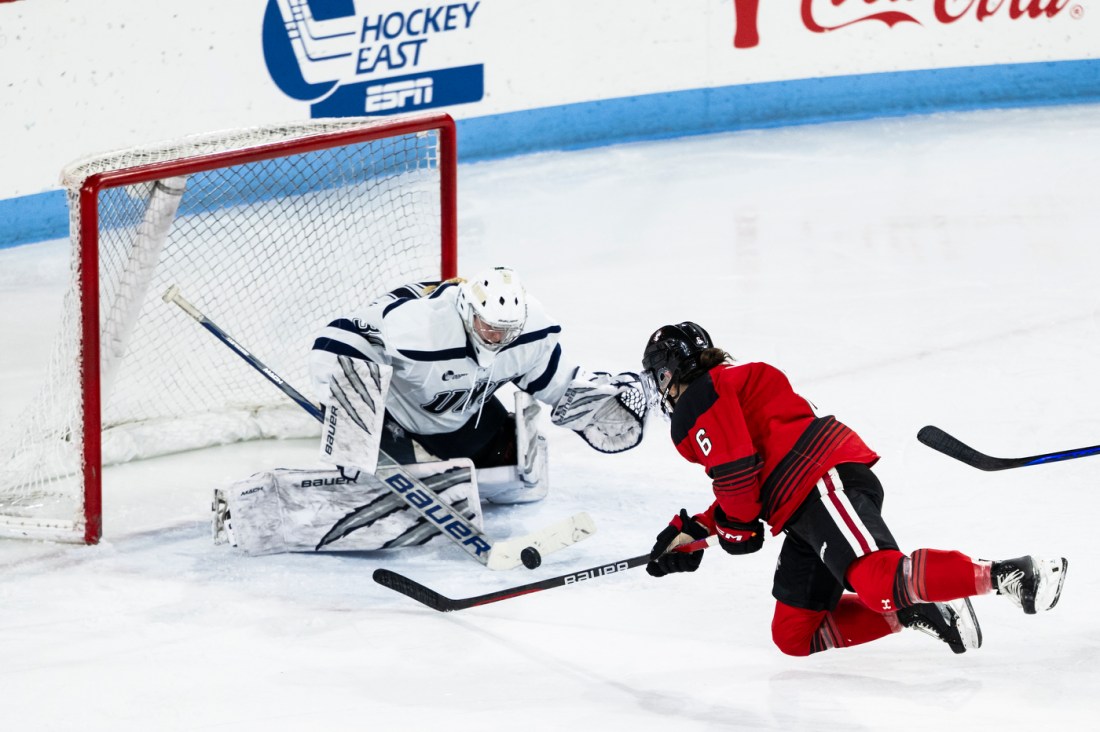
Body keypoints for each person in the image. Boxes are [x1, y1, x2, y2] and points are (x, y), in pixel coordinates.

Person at [640, 321, 1068, 655]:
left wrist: (736, 527)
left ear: (668, 373)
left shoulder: (702, 396)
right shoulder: (732, 386)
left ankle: (1011, 574)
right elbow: (748, 476)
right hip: (801, 503)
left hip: (820, 484)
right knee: (794, 634)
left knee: (878, 580)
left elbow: (736, 475)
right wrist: (696, 530)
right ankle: (919, 609)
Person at [213, 266, 647, 555]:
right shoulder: (417, 327)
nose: (497, 337)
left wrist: (603, 406)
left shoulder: (529, 333)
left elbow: (557, 381)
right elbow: (342, 336)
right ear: (466, 311)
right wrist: (348, 398)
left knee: (519, 478)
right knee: (380, 488)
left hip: (461, 417)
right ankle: (265, 507)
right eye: (489, 327)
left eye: (506, 330)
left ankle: (437, 469)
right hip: (398, 418)